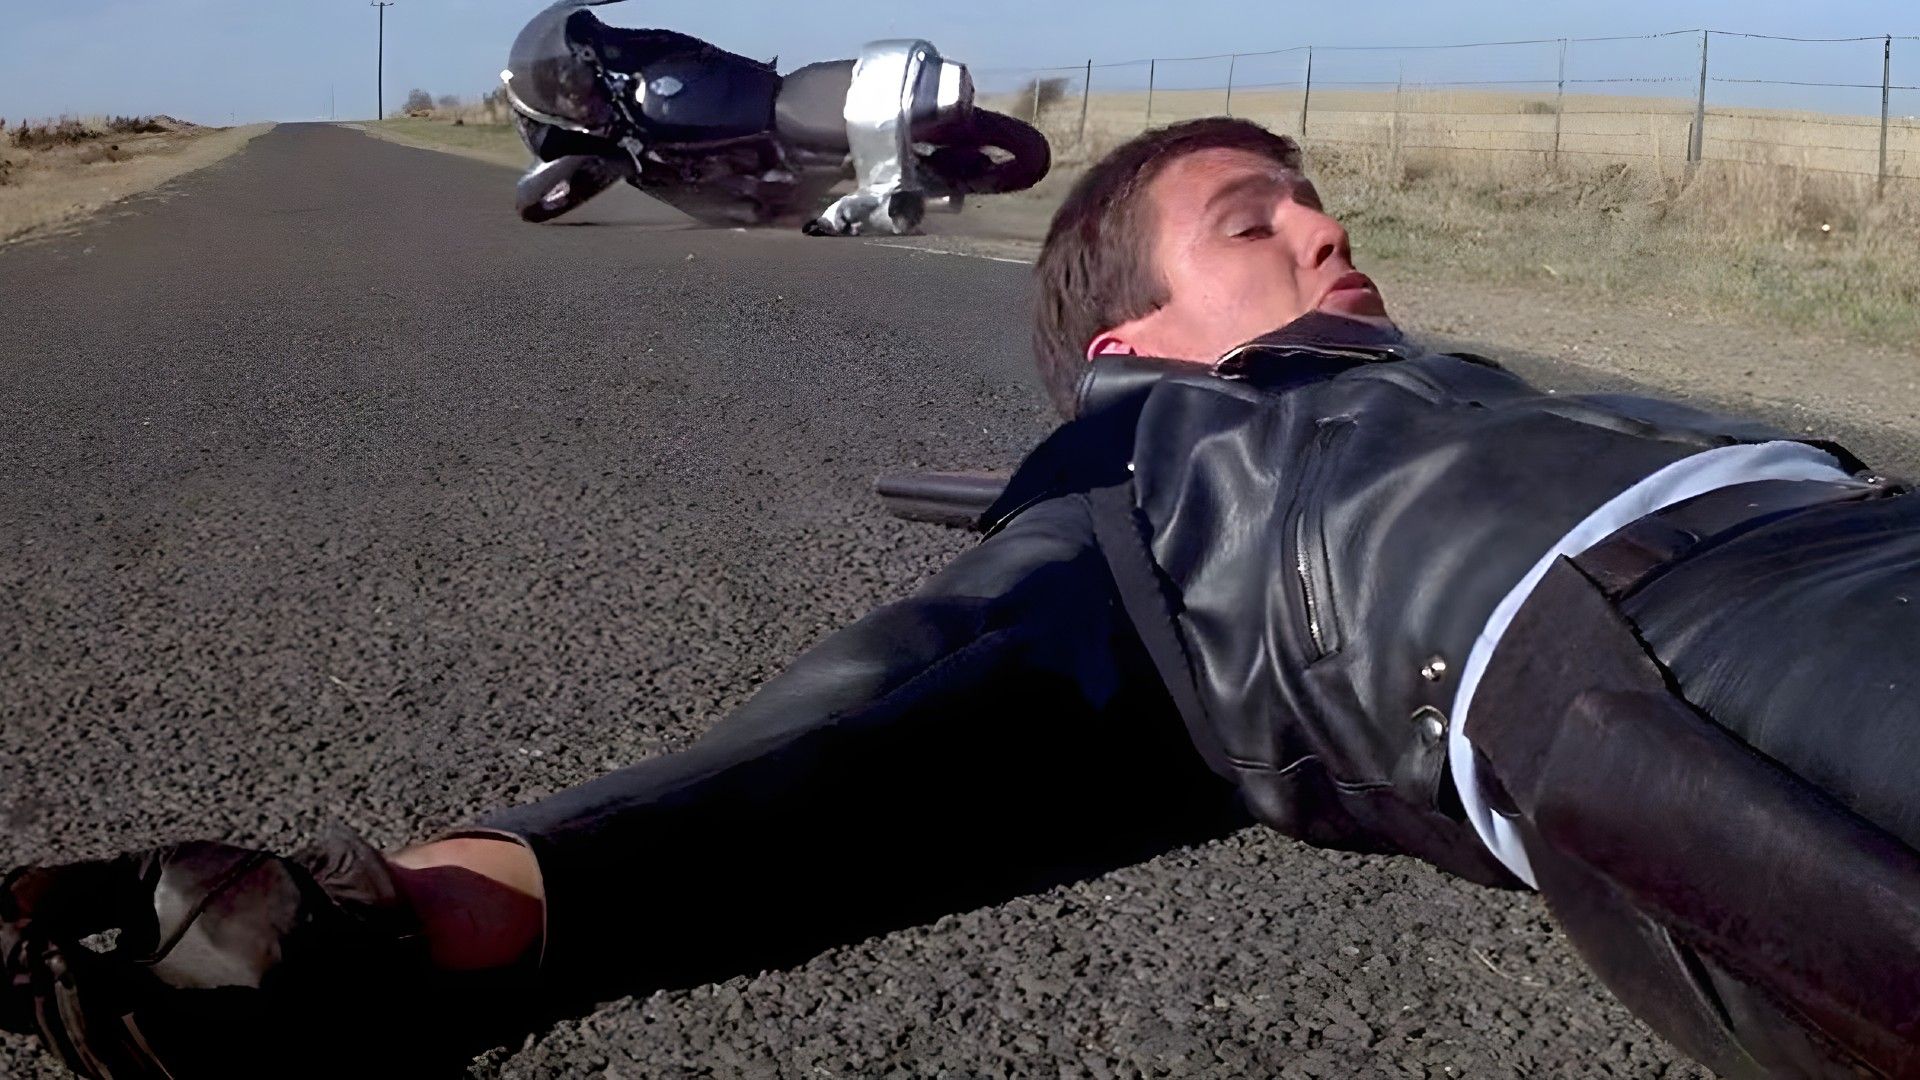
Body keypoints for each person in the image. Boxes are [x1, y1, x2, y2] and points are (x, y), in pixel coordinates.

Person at [7, 116, 1919, 1080]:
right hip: (1709, 658)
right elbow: (873, 733)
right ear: (1126, 336)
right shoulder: (1149, 482)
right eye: (1252, 219)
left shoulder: (1452, 382)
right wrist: (372, 926)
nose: (1329, 231)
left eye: (1318, 206)